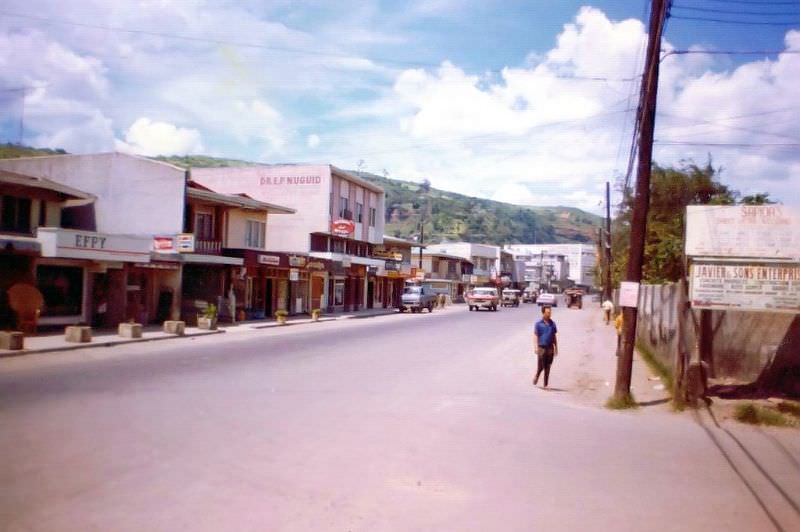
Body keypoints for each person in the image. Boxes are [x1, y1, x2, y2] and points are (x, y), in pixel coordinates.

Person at [533, 305, 558, 388]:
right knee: (541, 366)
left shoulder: (553, 324)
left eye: (550, 312)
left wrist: (556, 348)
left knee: (548, 366)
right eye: (547, 312)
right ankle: (537, 375)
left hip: (550, 347)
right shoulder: (538, 324)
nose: (549, 314)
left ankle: (545, 384)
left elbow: (554, 336)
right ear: (543, 313)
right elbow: (536, 335)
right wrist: (536, 347)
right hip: (541, 347)